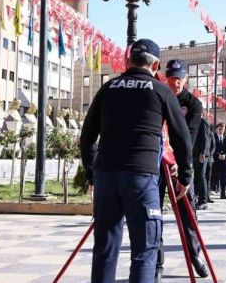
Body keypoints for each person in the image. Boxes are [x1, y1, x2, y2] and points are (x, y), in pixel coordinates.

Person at [79, 39, 193, 283]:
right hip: (141, 178)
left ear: (128, 61)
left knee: (104, 250)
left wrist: (91, 174)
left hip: (106, 177)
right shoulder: (161, 91)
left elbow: (87, 137)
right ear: (156, 65)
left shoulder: (108, 88)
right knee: (144, 250)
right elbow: (182, 137)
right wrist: (185, 176)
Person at [157, 59, 208, 280]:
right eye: (171, 78)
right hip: (158, 163)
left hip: (181, 165)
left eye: (179, 79)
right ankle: (156, 263)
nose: (175, 83)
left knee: (188, 213)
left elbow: (188, 136)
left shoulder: (194, 104)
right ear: (165, 78)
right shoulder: (158, 97)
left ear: (185, 79)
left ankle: (194, 254)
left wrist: (179, 162)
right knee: (153, 214)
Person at [194, 118, 213, 210]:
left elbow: (206, 138)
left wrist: (203, 152)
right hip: (194, 153)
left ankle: (203, 201)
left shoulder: (202, 122)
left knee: (201, 176)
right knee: (197, 176)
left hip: (201, 154)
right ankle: (197, 197)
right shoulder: (192, 120)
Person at [212, 122, 226, 199]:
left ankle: (223, 193)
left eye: (223, 129)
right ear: (216, 129)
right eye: (220, 129)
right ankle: (213, 189)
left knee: (224, 177)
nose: (221, 131)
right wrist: (218, 155)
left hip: (225, 161)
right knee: (215, 176)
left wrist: (225, 155)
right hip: (216, 160)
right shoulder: (213, 137)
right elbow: (212, 148)